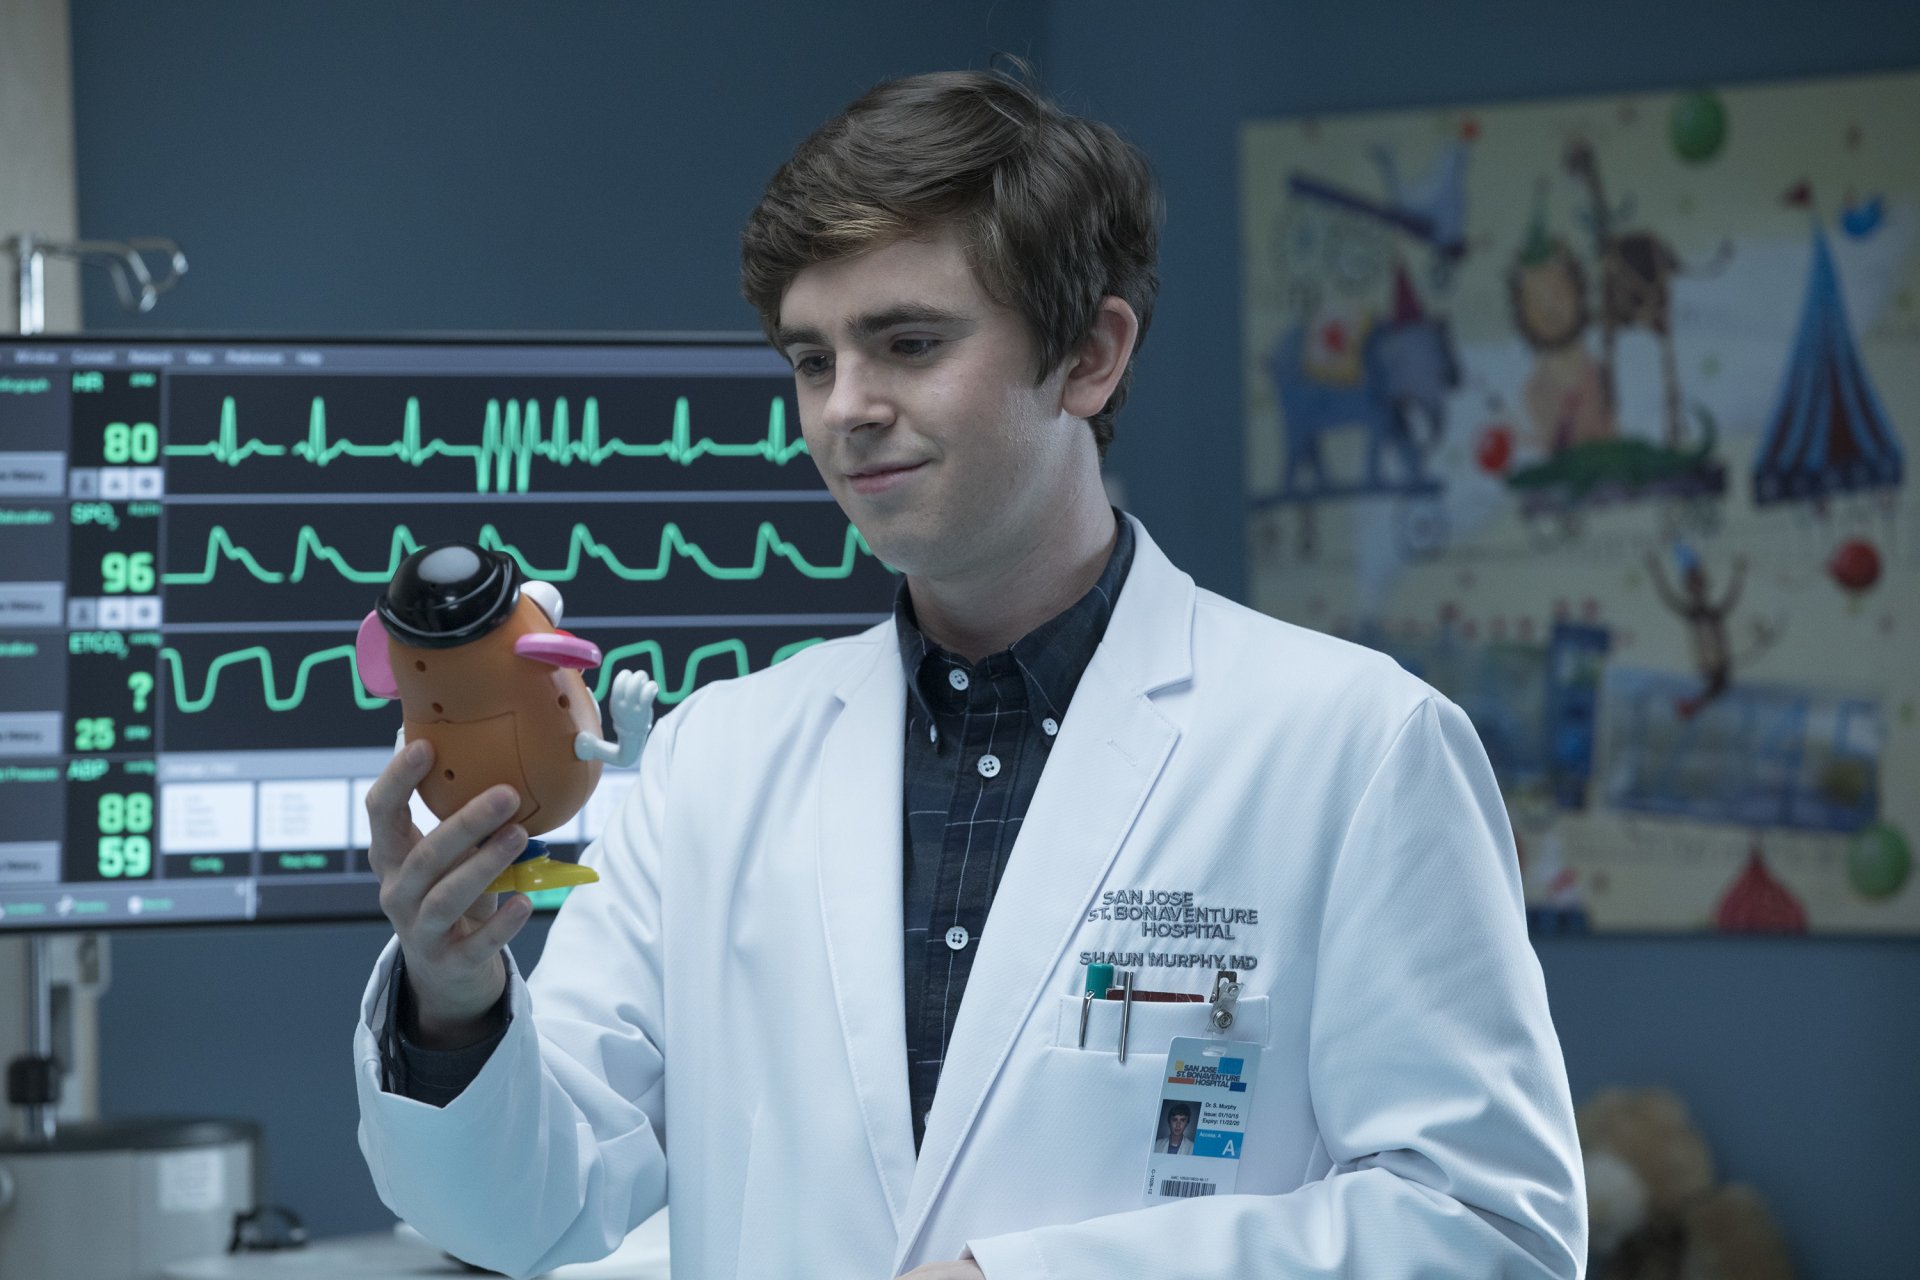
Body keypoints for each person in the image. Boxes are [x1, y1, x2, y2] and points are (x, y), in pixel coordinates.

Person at [355, 67, 1586, 1279]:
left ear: (1091, 355)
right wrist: (453, 997)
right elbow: (530, 1211)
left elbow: (1488, 1229)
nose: (846, 408)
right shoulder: (714, 761)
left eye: (907, 342)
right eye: (812, 359)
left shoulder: (1356, 745)